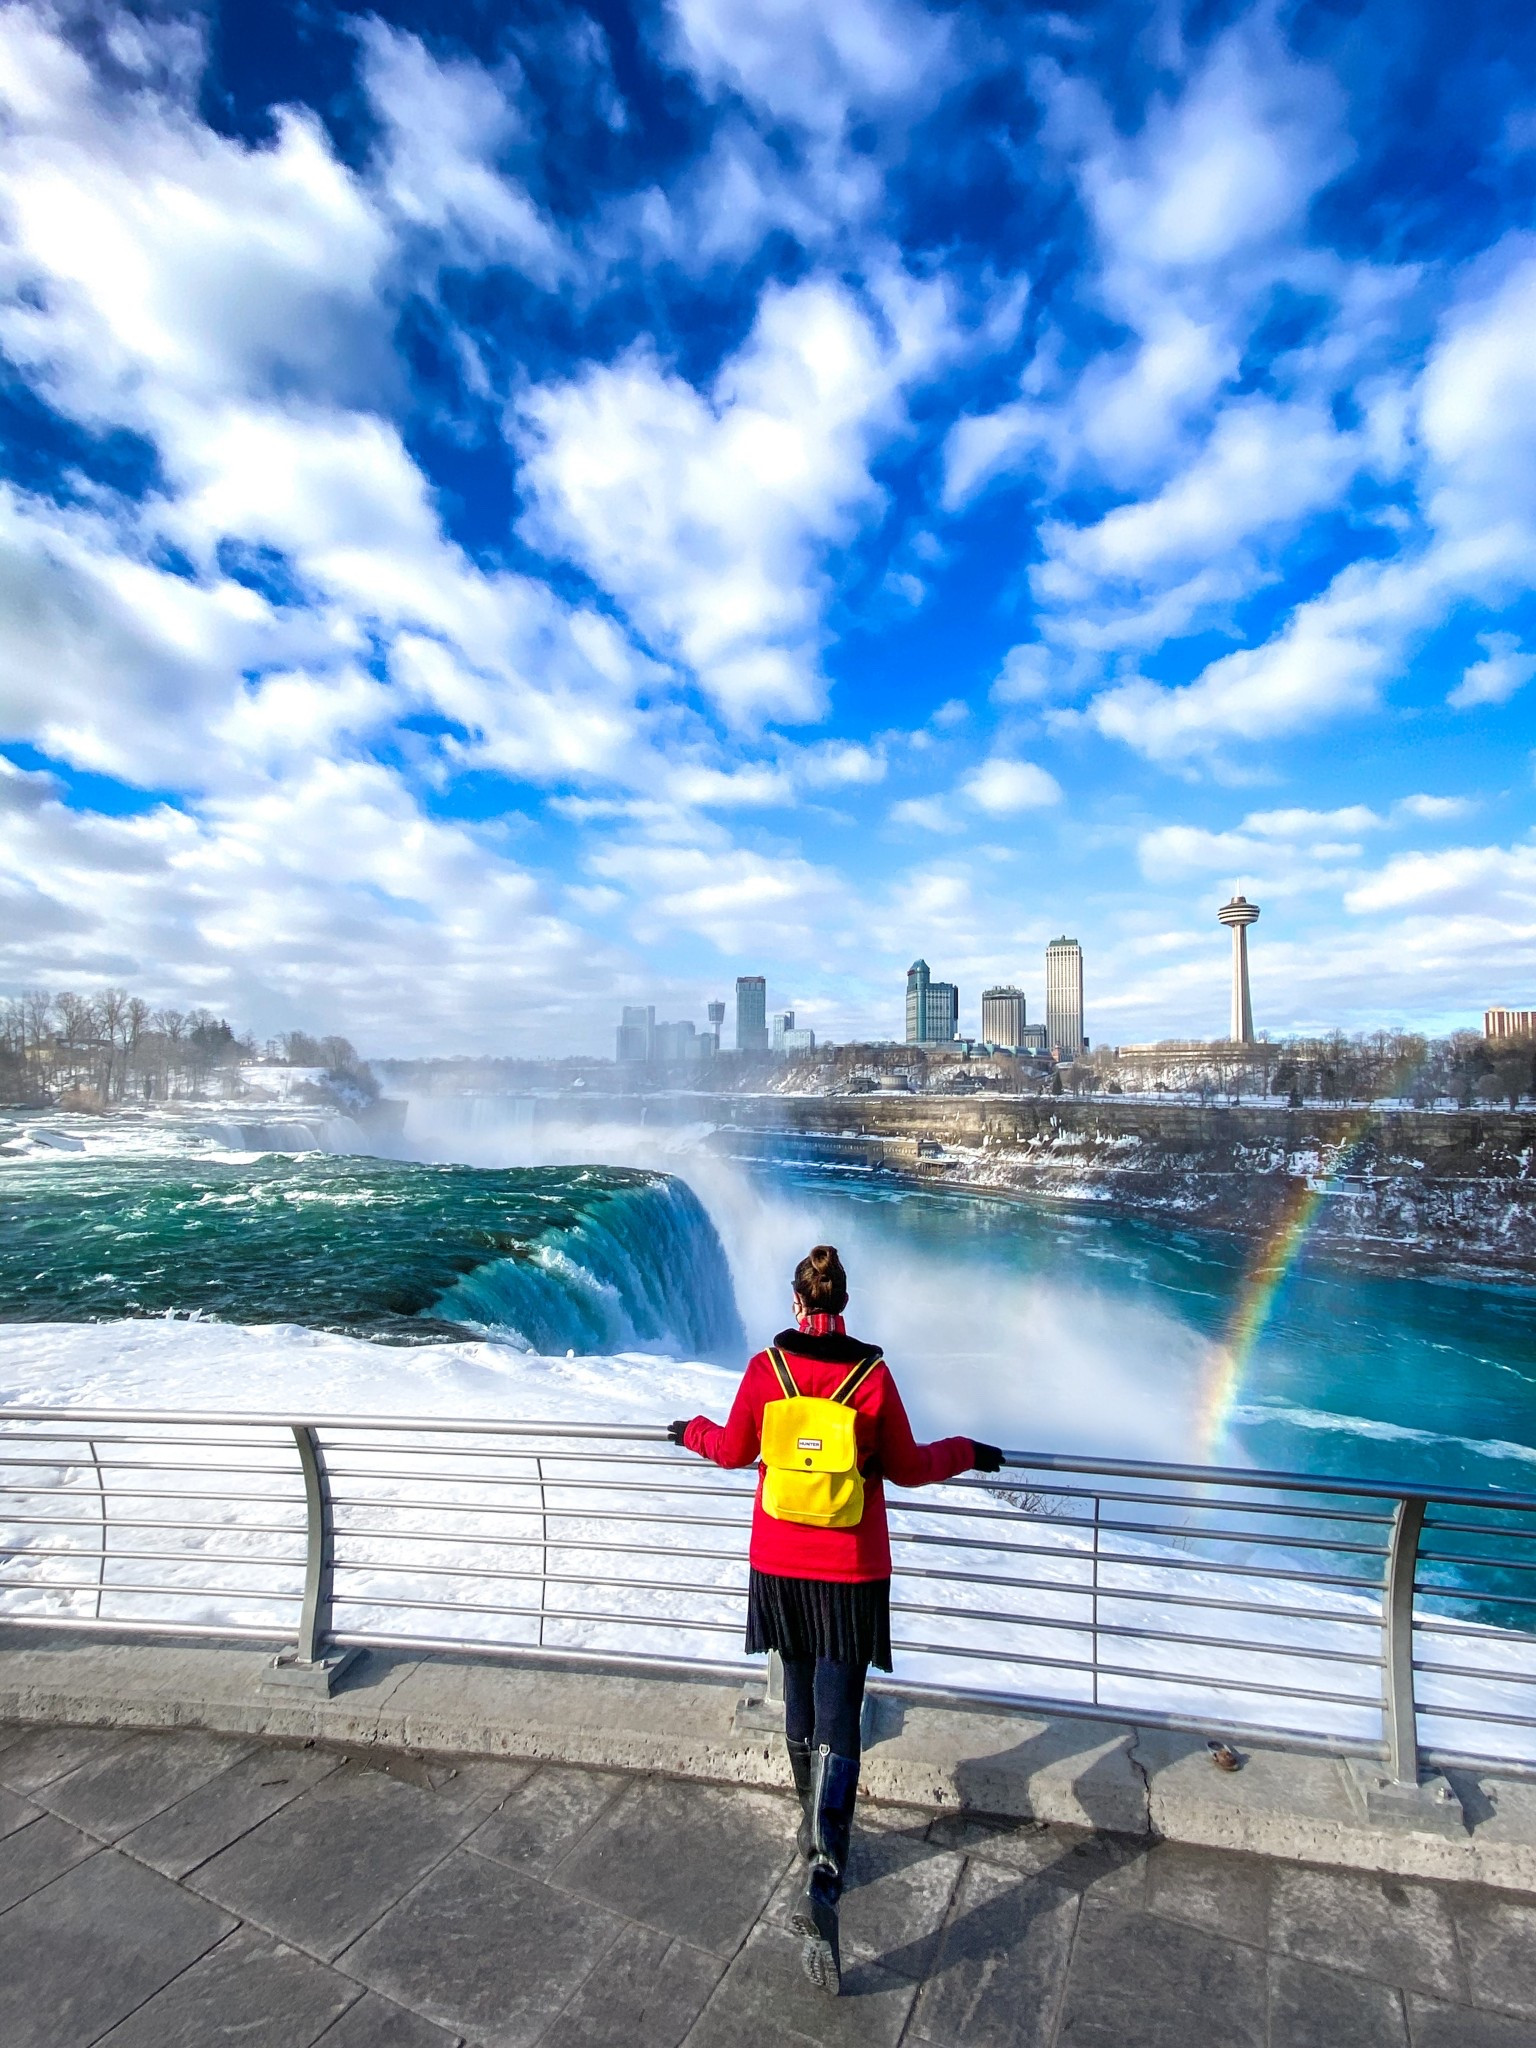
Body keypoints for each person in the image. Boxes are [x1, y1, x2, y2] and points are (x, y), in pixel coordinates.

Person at [668, 1244, 1002, 1996]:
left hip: (780, 1561)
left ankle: (805, 1818)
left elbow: (728, 1452)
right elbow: (911, 1465)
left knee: (794, 1694)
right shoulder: (871, 1376)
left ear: (796, 1303)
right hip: (851, 1567)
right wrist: (970, 1452)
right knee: (840, 1711)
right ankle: (827, 1863)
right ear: (844, 1303)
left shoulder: (766, 1371)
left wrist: (687, 1429)